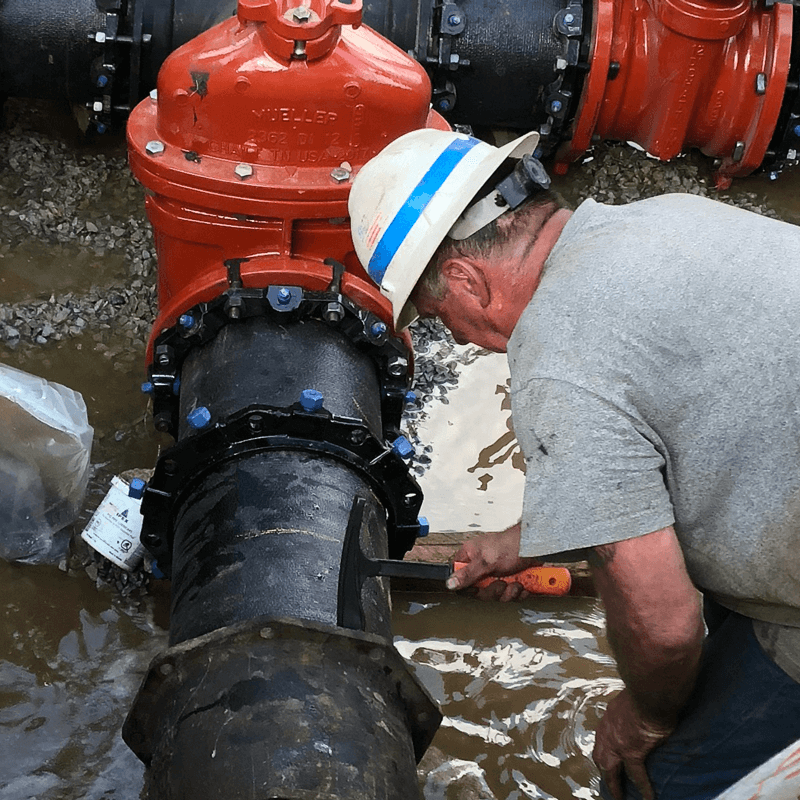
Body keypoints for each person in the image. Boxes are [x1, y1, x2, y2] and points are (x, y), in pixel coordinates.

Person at [348, 128, 800, 800]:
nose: (459, 339)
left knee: (660, 775)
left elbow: (666, 627)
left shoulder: (558, 357)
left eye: (441, 318)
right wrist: (527, 541)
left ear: (469, 282)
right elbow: (697, 428)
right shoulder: (666, 217)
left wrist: (644, 715)